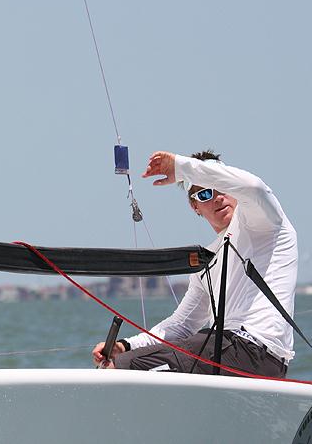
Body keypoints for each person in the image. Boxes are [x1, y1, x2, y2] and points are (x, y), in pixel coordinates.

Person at [92, 150, 296, 378]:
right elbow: (181, 325)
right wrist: (126, 346)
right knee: (121, 361)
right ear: (195, 206)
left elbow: (255, 187)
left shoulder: (263, 222)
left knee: (117, 371)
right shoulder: (206, 258)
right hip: (228, 355)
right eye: (206, 193)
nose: (218, 197)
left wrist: (180, 167)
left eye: (223, 187)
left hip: (251, 351)